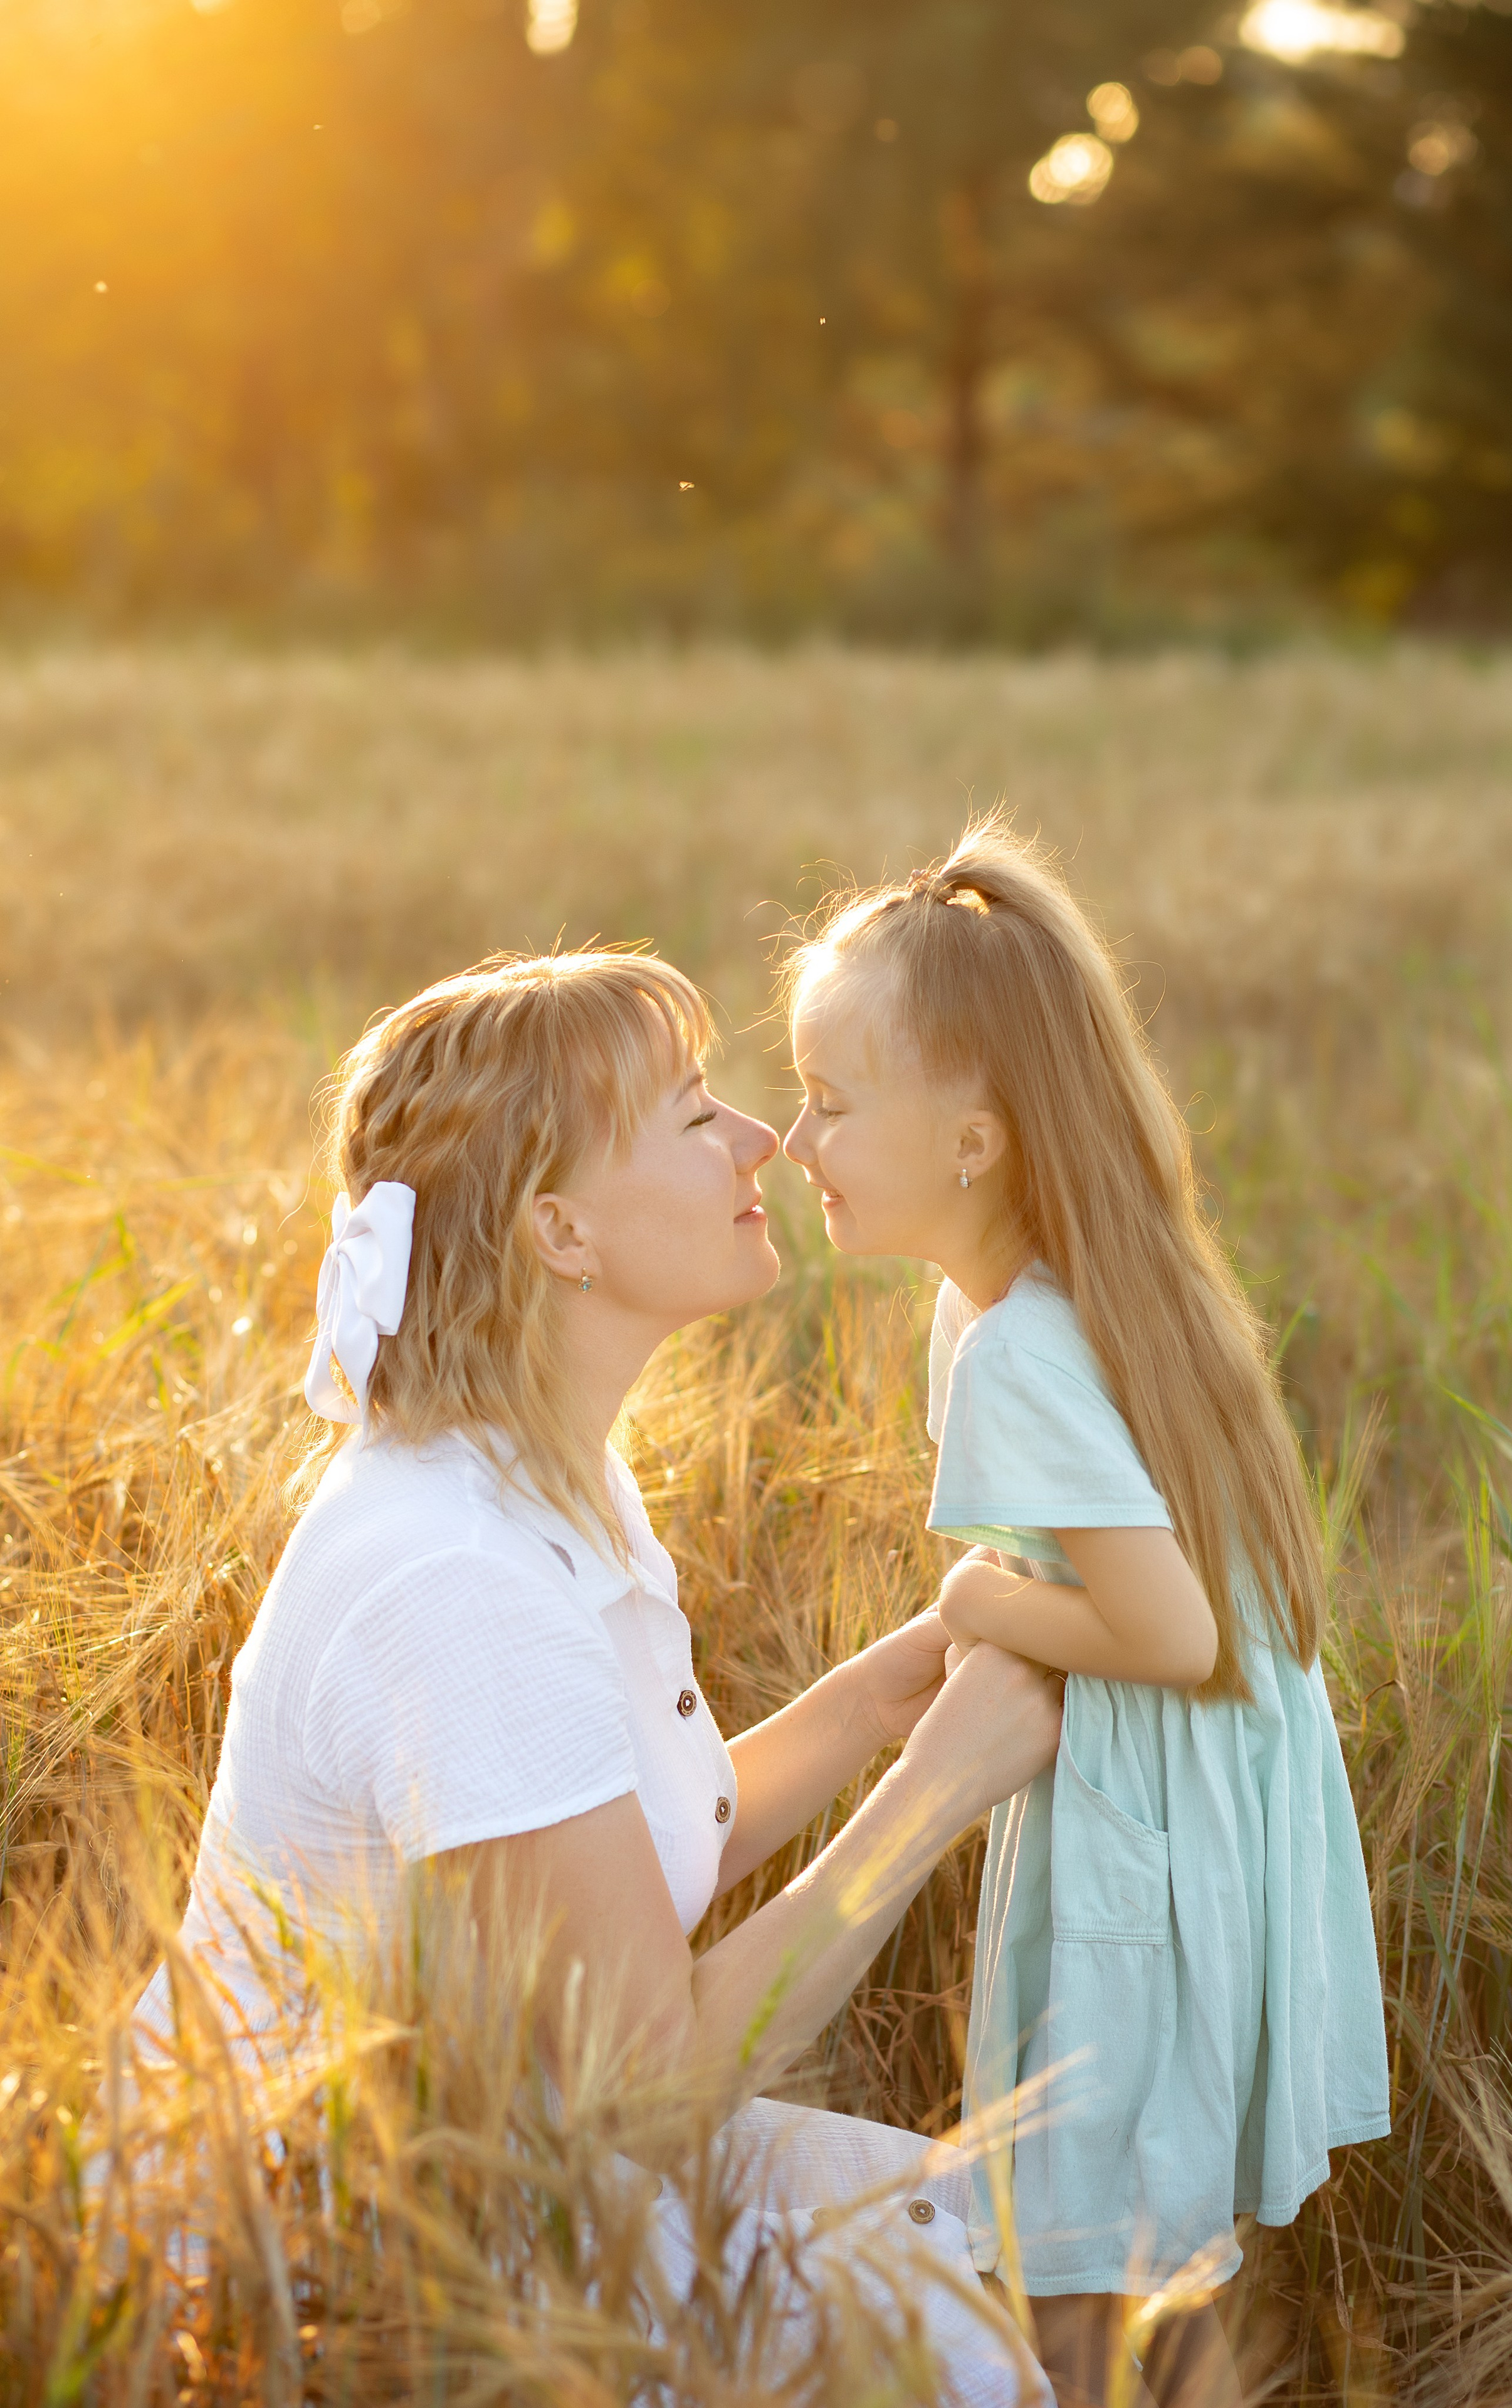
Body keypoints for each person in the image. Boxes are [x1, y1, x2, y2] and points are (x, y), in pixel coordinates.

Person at [131, 949, 1063, 2404]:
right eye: (693, 1115)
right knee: (962, 2343)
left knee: (1011, 2238)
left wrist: (872, 1708)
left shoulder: (536, 1478)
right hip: (341, 2261)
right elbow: (647, 2082)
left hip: (497, 2153)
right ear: (558, 1229)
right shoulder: (455, 1578)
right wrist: (935, 1790)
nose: (758, 1139)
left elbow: (600, 1869)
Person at [782, 823, 1392, 2408]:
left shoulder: (1018, 1347)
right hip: (1182, 1803)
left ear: (972, 1142)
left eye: (829, 1102)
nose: (791, 1138)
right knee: (1132, 2244)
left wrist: (973, 1594)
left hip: (1145, 1831)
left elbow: (1173, 1635)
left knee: (1081, 2253)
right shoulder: (1055, 1288)